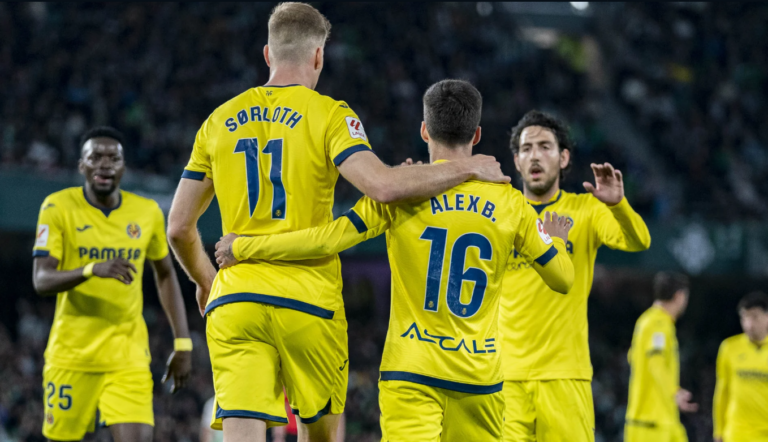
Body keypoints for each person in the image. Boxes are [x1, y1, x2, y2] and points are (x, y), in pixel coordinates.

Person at [165, 3, 509, 442]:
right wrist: (469, 168)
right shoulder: (330, 114)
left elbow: (178, 226)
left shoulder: (218, 121)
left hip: (237, 296)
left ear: (267, 55)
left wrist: (205, 280)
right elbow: (382, 187)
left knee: (241, 432)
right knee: (323, 433)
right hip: (309, 300)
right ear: (318, 56)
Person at [214, 80, 576, 441]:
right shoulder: (512, 204)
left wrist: (246, 246)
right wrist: (556, 242)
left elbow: (324, 240)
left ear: (424, 130)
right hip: (479, 380)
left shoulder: (400, 196)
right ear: (477, 135)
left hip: (410, 373)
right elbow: (562, 279)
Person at [31, 127, 192, 442]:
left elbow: (165, 273)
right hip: (72, 355)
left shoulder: (146, 213)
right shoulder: (56, 207)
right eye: (95, 157)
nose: (104, 164)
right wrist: (91, 269)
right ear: (82, 165)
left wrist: (183, 342)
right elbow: (41, 279)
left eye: (113, 158)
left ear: (123, 166)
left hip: (127, 356)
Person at [500, 110, 652, 441]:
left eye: (545, 146)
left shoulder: (586, 209)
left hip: (565, 377)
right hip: (504, 377)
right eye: (526, 149)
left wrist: (618, 205)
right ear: (516, 161)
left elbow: (638, 240)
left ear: (564, 157)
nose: (535, 155)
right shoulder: (502, 213)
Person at [625, 272, 697, 442]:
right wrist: (675, 392)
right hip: (651, 424)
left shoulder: (647, 321)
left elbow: (632, 357)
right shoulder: (658, 324)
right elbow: (655, 363)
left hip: (664, 420)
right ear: (679, 296)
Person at [713, 291, 768, 442]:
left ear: (767, 317)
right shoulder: (729, 348)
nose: (749, 324)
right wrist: (718, 431)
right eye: (745, 317)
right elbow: (722, 392)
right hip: (736, 433)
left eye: (755, 317)